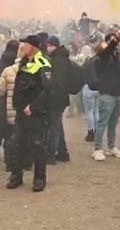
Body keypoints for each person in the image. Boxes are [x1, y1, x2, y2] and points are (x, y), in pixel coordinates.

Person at [8, 35, 53, 192]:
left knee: (37, 145)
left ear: (33, 46)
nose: (21, 47)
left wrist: (32, 106)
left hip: (35, 113)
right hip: (21, 111)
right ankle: (16, 176)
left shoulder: (42, 64)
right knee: (17, 143)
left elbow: (47, 90)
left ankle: (39, 178)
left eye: (24, 44)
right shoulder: (23, 62)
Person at [93, 34, 120, 161]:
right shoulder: (103, 55)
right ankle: (97, 149)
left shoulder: (116, 56)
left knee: (113, 123)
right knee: (102, 123)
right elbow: (107, 49)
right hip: (106, 93)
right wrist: (115, 39)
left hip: (117, 92)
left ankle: (111, 146)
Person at [46, 36, 71, 164]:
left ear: (55, 46)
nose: (48, 48)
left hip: (56, 98)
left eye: (50, 46)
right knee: (57, 125)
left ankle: (51, 155)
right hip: (61, 98)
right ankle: (63, 152)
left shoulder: (57, 60)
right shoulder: (63, 58)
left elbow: (58, 81)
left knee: (54, 126)